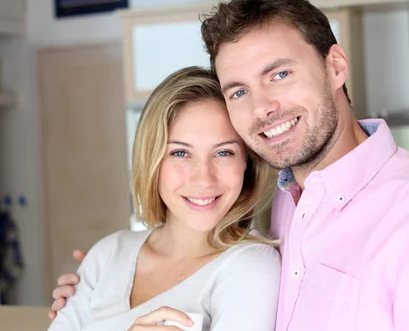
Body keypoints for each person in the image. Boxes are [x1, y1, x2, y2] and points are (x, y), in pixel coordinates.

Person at [50, 0, 409, 331]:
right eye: (240, 91)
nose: (263, 107)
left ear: (335, 67)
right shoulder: (287, 205)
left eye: (280, 74)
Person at [47, 66, 281, 330]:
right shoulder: (108, 254)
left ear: (247, 162)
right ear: (152, 160)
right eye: (180, 153)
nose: (203, 178)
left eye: (224, 153)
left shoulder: (250, 267)